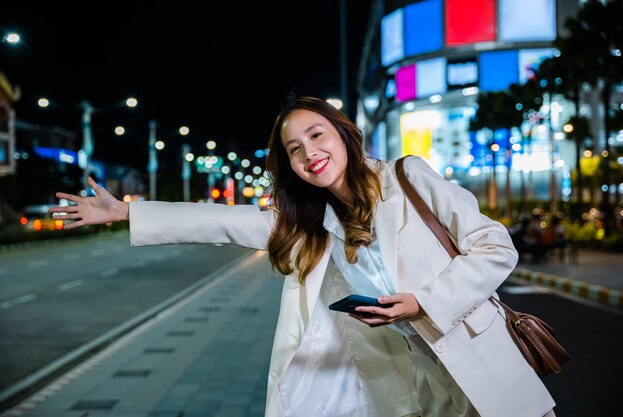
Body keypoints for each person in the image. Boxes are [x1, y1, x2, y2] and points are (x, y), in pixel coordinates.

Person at [50, 96, 556, 417]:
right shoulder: (309, 227)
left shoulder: (407, 177)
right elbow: (221, 221)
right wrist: (126, 213)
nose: (308, 151)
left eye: (316, 134)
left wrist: (423, 302)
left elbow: (494, 245)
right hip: (415, 381)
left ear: (342, 134)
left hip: (477, 358)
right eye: (293, 148)